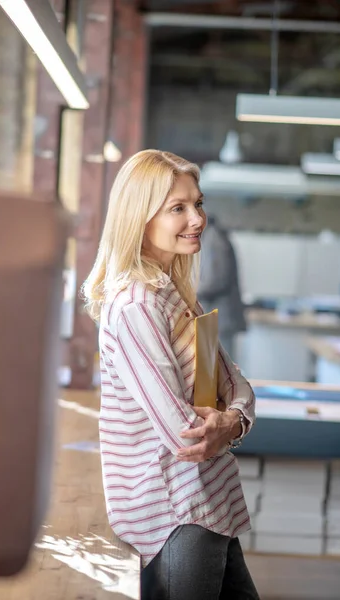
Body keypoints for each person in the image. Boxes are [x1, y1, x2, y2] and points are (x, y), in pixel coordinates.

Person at [83, 150, 259, 600]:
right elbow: (186, 437)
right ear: (140, 217)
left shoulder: (175, 295)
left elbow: (235, 384)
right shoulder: (136, 307)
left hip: (208, 503)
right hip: (174, 513)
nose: (196, 218)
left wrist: (232, 420)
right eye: (177, 208)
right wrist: (226, 424)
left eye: (197, 204)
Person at [198, 215, 246, 361]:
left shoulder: (214, 240)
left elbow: (215, 281)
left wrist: (188, 293)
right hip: (217, 318)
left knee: (220, 370)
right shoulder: (211, 237)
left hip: (220, 318)